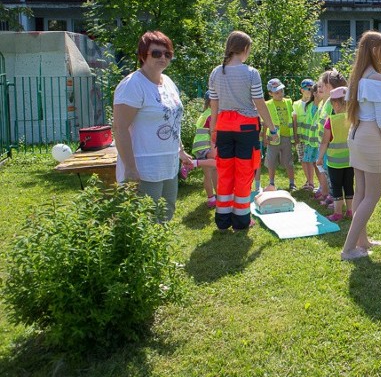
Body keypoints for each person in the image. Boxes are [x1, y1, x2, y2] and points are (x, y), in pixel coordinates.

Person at [114, 31, 193, 222]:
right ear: (143, 55)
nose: (163, 58)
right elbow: (120, 128)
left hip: (168, 164)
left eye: (168, 54)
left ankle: (160, 253)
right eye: (156, 53)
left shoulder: (168, 82)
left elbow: (171, 121)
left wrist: (181, 151)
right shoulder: (133, 85)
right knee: (145, 219)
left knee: (166, 214)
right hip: (144, 167)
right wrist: (130, 168)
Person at [208, 31, 278, 232]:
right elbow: (259, 103)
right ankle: (241, 220)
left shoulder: (215, 72)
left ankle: (222, 220)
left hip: (223, 128)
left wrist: (213, 129)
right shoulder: (251, 73)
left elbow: (214, 103)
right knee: (244, 173)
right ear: (245, 49)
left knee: (225, 173)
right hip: (246, 128)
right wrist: (272, 128)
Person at [340, 31, 381, 261]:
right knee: (372, 195)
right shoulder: (375, 78)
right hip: (369, 138)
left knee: (362, 193)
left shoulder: (357, 77)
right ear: (375, 50)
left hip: (356, 135)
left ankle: (362, 242)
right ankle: (348, 249)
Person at [316, 86, 354, 222]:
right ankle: (350, 211)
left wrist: (320, 158)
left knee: (337, 186)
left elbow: (325, 142)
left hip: (334, 162)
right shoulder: (353, 119)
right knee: (349, 185)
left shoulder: (330, 121)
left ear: (336, 104)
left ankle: (337, 213)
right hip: (350, 160)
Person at [313, 69, 348, 207]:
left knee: (336, 175)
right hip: (325, 145)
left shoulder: (334, 103)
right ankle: (332, 195)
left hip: (332, 146)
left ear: (330, 87)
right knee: (329, 173)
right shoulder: (326, 102)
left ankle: (336, 198)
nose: (321, 88)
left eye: (324, 85)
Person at [262, 78, 296, 192]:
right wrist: (264, 137)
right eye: (276, 92)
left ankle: (292, 183)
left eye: (281, 91)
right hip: (273, 138)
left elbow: (293, 118)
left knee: (288, 161)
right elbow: (265, 121)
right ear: (270, 93)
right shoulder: (267, 104)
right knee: (271, 161)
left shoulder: (288, 102)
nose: (280, 94)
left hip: (286, 136)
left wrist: (295, 135)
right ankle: (271, 182)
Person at [191, 90, 219, 208]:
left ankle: (215, 197)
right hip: (205, 145)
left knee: (212, 171)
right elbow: (213, 133)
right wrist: (214, 149)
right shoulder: (212, 115)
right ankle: (212, 198)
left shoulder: (205, 113)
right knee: (214, 166)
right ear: (210, 102)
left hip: (199, 146)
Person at [292, 79, 316, 191]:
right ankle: (308, 180)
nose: (310, 91)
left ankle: (311, 182)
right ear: (302, 90)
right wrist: (295, 136)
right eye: (308, 88)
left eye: (312, 88)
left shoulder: (314, 104)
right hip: (300, 137)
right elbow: (294, 120)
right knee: (303, 159)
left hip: (311, 138)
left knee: (310, 159)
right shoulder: (296, 104)